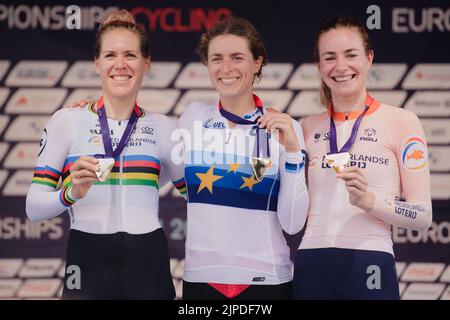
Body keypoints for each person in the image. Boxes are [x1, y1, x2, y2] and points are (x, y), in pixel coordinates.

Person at [26, 10, 186, 299]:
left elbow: (197, 194)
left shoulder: (163, 127)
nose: (120, 64)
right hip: (88, 260)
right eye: (110, 55)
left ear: (146, 63)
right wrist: (70, 192)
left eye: (131, 55)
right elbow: (34, 208)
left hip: (148, 260)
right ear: (97, 63)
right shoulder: (67, 121)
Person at [293, 16, 432, 299]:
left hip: (370, 263)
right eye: (329, 57)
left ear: (369, 58)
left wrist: (369, 200)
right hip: (311, 262)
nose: (341, 67)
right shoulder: (306, 127)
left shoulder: (402, 121)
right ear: (319, 66)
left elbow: (422, 215)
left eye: (351, 55)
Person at [177, 17, 309, 299]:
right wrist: (89, 110)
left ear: (257, 63)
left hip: (267, 281)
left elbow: (293, 224)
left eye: (237, 58)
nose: (226, 69)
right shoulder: (192, 117)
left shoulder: (285, 128)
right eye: (216, 59)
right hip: (201, 281)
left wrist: (294, 153)